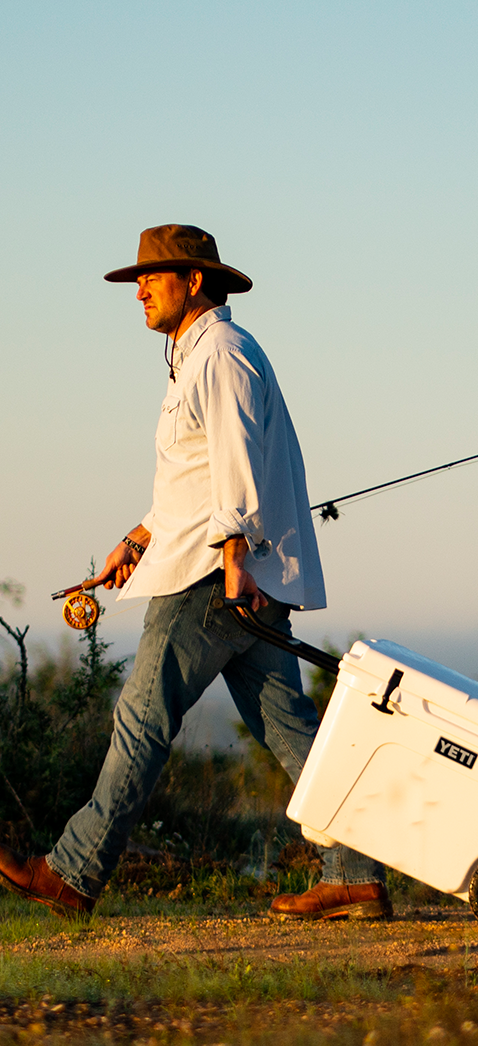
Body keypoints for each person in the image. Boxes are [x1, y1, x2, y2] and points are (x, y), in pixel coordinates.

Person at [0, 225, 390, 920]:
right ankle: (356, 874)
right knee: (290, 731)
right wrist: (141, 535)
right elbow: (197, 472)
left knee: (141, 723)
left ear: (196, 282)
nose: (141, 290)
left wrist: (234, 557)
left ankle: (73, 871)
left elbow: (236, 461)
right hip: (236, 577)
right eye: (138, 280)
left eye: (155, 276)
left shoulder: (222, 353)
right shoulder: (200, 356)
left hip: (212, 580)